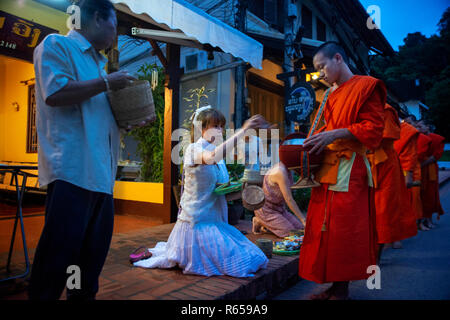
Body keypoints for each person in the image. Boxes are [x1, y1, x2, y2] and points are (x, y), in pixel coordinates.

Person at [29, 0, 150, 300]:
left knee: (86, 269)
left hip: (101, 178)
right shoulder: (57, 45)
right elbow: (54, 93)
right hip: (72, 173)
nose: (115, 34)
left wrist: (125, 123)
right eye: (114, 26)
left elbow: (95, 116)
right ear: (97, 18)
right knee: (55, 265)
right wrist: (107, 81)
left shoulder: (97, 64)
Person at [134, 107, 269, 277]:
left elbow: (220, 192)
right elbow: (211, 157)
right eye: (215, 126)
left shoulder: (217, 157)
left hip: (215, 221)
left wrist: (244, 189)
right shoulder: (193, 149)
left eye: (221, 126)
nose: (220, 130)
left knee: (256, 257)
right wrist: (243, 131)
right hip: (197, 223)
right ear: (201, 128)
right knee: (243, 263)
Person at [297, 42, 385, 300]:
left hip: (349, 168)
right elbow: (329, 128)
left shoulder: (367, 85)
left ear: (338, 58)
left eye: (321, 67)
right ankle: (334, 286)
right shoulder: (331, 95)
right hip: (329, 168)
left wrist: (335, 133)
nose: (320, 74)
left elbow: (373, 130)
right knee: (324, 228)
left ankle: (342, 290)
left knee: (343, 230)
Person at [367, 104, 417, 255]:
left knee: (386, 209)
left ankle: (383, 247)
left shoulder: (386, 111)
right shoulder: (361, 110)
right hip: (365, 164)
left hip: (386, 166)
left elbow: (409, 153)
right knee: (369, 211)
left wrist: (408, 174)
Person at [252, 160, 306, 238]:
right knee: (289, 233)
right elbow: (289, 199)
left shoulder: (288, 169)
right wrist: (304, 220)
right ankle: (259, 221)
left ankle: (268, 223)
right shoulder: (280, 172)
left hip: (279, 209)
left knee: (300, 229)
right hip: (266, 210)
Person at [417, 122, 445, 227]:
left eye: (420, 126)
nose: (418, 129)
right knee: (421, 196)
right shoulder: (417, 138)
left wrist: (421, 164)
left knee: (431, 195)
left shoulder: (436, 139)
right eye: (417, 126)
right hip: (420, 169)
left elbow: (435, 156)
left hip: (430, 168)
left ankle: (429, 220)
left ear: (427, 126)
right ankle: (422, 220)